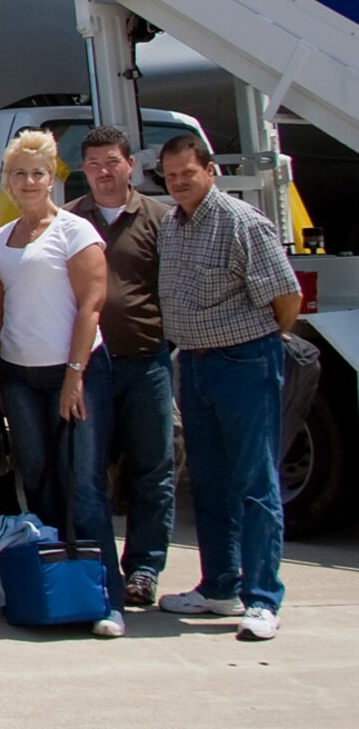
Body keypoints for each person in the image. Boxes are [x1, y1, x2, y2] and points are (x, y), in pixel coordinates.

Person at [155, 135, 301, 642]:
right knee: (211, 483)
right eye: (170, 176)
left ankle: (262, 598)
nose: (178, 183)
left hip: (244, 362)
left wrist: (266, 343)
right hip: (192, 367)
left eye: (186, 174)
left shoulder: (243, 223)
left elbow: (286, 297)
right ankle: (220, 586)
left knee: (255, 483)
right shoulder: (171, 226)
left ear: (209, 170)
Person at [0, 128, 123, 637]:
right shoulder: (1, 239)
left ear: (52, 178)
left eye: (37, 173)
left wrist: (75, 375)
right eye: (18, 174)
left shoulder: (76, 232)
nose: (28, 182)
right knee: (38, 481)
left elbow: (91, 304)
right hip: (19, 376)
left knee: (83, 485)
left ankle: (107, 597)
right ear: (9, 180)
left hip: (75, 373)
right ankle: (54, 588)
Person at [67, 125, 174, 609]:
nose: (102, 172)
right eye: (92, 164)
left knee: (152, 467)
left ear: (130, 165)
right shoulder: (70, 221)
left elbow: (173, 289)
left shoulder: (159, 218)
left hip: (144, 361)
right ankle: (99, 567)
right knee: (87, 472)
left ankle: (145, 568)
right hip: (89, 366)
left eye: (111, 162)